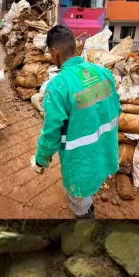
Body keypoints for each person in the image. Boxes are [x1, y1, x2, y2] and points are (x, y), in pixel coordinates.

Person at [31, 25, 120, 219]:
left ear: (54, 52)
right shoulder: (103, 73)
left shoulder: (58, 86)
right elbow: (116, 109)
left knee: (80, 201)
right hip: (105, 151)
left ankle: (86, 221)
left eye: (49, 52)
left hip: (80, 162)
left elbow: (51, 132)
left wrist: (41, 159)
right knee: (93, 184)